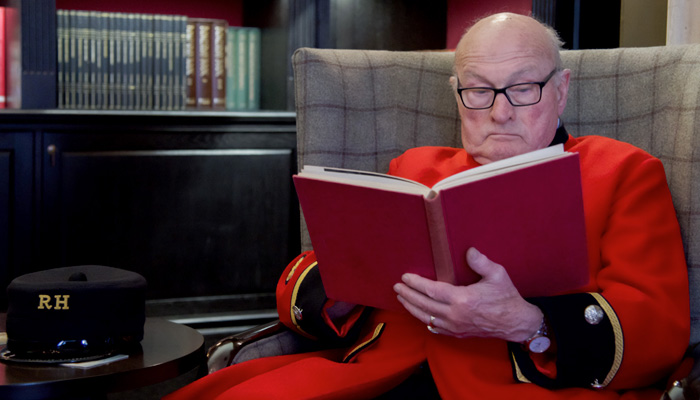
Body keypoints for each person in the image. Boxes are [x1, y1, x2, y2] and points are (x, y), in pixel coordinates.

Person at [165, 12, 690, 400]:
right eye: (479, 91)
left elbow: (657, 329)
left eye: (523, 89)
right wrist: (346, 287)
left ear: (561, 90)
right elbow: (303, 288)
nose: (500, 113)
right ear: (457, 94)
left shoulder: (622, 171)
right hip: (373, 379)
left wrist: (529, 322)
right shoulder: (416, 169)